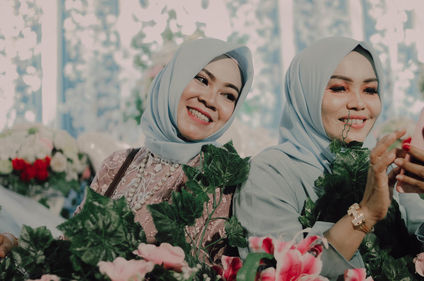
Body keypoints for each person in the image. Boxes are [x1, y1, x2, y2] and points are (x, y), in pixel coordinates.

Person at [233, 36, 424, 279]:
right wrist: (365, 213)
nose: (358, 104)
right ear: (305, 94)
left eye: (370, 90)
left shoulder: (383, 165)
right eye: (339, 88)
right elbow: (275, 273)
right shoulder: (270, 172)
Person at [0, 38, 254, 264]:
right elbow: (73, 245)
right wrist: (17, 246)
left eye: (228, 95)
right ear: (172, 80)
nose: (210, 100)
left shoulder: (225, 178)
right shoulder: (118, 164)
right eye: (201, 79)